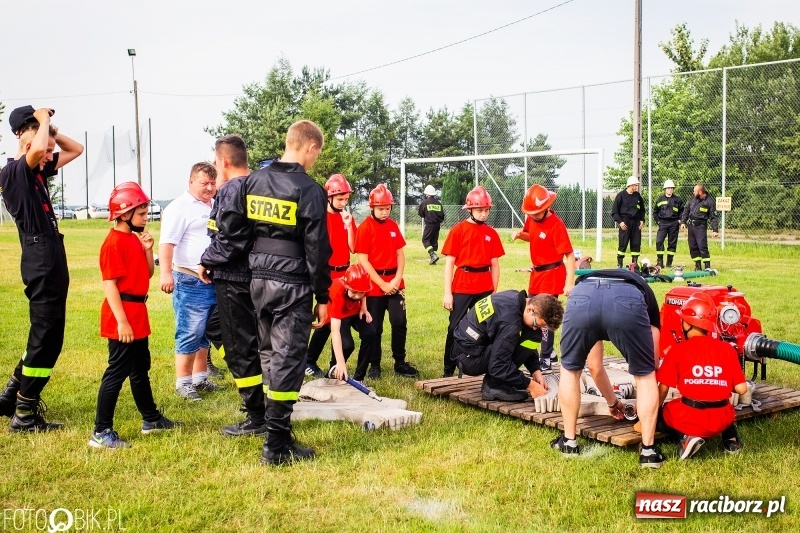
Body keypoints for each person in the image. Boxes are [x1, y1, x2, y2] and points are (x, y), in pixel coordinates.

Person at [213, 120, 332, 465]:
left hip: (258, 281)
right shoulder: (309, 190)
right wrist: (322, 297)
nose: (314, 161)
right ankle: (276, 445)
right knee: (288, 359)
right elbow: (317, 249)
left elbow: (232, 231)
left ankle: (274, 431)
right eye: (316, 154)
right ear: (309, 148)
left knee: (267, 354)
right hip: (292, 281)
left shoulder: (252, 182)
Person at [0, 106, 83, 431]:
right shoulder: (15, 172)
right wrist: (41, 120)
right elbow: (35, 149)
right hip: (40, 254)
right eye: (45, 146)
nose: (50, 153)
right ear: (24, 135)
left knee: (47, 334)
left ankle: (10, 398)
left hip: (48, 252)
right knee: (46, 336)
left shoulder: (36, 170)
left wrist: (50, 131)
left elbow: (76, 149)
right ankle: (25, 413)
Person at [89, 182, 182, 448]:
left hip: (137, 313)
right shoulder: (113, 243)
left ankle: (150, 419)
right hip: (123, 316)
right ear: (124, 214)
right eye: (141, 214)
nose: (145, 218)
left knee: (140, 368)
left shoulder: (132, 239)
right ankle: (100, 431)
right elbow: (110, 285)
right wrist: (122, 322)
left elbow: (147, 274)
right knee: (116, 372)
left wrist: (148, 249)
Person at [555, 269, 665, 468]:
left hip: (582, 296)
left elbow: (595, 366)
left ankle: (569, 441)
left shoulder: (586, 284)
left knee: (570, 370)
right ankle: (648, 451)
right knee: (645, 374)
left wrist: (613, 402)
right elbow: (653, 364)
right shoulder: (645, 292)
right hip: (627, 300)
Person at [199, 134, 267, 437]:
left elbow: (230, 240)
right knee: (242, 340)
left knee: (239, 349)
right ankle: (261, 406)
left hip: (234, 278)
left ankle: (256, 416)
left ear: (223, 161)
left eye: (216, 161)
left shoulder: (231, 190)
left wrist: (206, 260)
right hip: (255, 276)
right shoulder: (258, 186)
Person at [159, 162, 223, 401]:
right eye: (204, 182)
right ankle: (183, 382)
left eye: (212, 183)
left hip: (213, 279)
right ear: (190, 181)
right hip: (189, 278)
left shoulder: (216, 205)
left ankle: (200, 378)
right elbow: (167, 243)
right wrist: (165, 274)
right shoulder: (179, 207)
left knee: (205, 330)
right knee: (190, 330)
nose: (209, 187)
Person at [657, 293, 748, 459]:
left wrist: (650, 412)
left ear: (687, 323)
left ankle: (686, 438)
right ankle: (730, 440)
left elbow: (662, 390)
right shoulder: (727, 349)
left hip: (692, 417)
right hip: (722, 419)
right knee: (726, 407)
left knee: (664, 412)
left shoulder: (677, 350)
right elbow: (742, 389)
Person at [355, 184, 419, 379]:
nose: (384, 212)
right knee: (375, 327)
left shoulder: (392, 226)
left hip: (395, 282)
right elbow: (362, 260)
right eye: (381, 208)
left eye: (387, 208)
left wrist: (397, 279)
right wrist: (382, 284)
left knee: (399, 322)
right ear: (372, 207)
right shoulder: (365, 227)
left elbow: (400, 254)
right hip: (374, 285)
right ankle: (375, 365)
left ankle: (400, 361)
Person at [451, 291, 563, 401]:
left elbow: (526, 344)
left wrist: (535, 370)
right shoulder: (510, 323)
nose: (535, 328)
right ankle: (493, 386)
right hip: (468, 358)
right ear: (530, 310)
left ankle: (496, 381)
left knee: (532, 334)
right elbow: (498, 365)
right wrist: (530, 385)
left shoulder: (515, 298)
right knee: (529, 335)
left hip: (466, 349)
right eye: (536, 324)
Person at [440, 186, 504, 377]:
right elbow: (449, 263)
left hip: (484, 286)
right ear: (469, 209)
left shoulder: (491, 233)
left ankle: (481, 366)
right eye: (479, 210)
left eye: (486, 210)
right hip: (462, 285)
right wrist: (447, 292)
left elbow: (495, 265)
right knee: (455, 327)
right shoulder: (458, 230)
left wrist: (493, 292)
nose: (484, 214)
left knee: (485, 329)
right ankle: (448, 369)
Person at [512, 184, 575, 371]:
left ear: (546, 207)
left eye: (537, 212)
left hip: (552, 274)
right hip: (537, 274)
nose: (533, 216)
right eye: (530, 213)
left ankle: (546, 357)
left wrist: (569, 282)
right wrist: (520, 235)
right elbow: (534, 236)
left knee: (544, 315)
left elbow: (569, 255)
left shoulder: (557, 225)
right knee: (529, 312)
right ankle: (539, 353)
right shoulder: (532, 219)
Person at [304, 174, 357, 378]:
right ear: (329, 197)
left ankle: (333, 364)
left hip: (344, 274)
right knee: (325, 320)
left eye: (346, 199)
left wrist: (349, 225)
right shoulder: (320, 218)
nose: (343, 203)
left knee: (335, 320)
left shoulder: (347, 218)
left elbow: (353, 247)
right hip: (328, 274)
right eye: (340, 199)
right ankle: (309, 359)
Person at [324, 264, 376, 382]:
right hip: (339, 315)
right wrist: (341, 362)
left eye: (361, 292)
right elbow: (335, 331)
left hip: (354, 311)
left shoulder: (363, 287)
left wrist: (364, 307)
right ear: (346, 286)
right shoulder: (337, 290)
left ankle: (359, 377)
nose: (357, 295)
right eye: (354, 292)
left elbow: (364, 293)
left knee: (371, 333)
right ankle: (334, 371)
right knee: (347, 345)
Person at [680, 184, 719, 271]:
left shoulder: (710, 202)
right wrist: (683, 222)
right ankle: (697, 266)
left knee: (702, 246)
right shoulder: (693, 200)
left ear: (700, 192)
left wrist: (715, 230)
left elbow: (714, 217)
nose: (693, 192)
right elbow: (686, 210)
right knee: (693, 246)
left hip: (700, 226)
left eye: (695, 191)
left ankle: (707, 266)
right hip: (691, 226)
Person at [611, 176, 645, 269]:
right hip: (625, 222)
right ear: (630, 185)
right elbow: (614, 212)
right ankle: (620, 263)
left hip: (636, 222)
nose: (637, 187)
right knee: (623, 243)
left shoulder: (638, 196)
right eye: (635, 185)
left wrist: (642, 220)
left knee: (636, 243)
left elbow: (642, 210)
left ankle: (634, 264)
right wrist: (620, 222)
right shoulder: (621, 196)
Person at [653, 179, 684, 269]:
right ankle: (660, 261)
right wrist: (658, 221)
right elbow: (655, 212)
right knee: (659, 241)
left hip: (674, 223)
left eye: (671, 188)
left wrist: (680, 220)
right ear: (665, 189)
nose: (670, 189)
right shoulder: (660, 199)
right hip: (663, 223)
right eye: (668, 188)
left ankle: (669, 262)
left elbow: (682, 211)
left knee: (672, 243)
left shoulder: (678, 200)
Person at [418, 184, 445, 265]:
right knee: (434, 241)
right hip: (437, 225)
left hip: (429, 224)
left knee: (425, 240)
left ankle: (433, 255)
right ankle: (433, 259)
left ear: (427, 194)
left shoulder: (425, 202)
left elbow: (421, 213)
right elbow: (442, 215)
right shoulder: (438, 203)